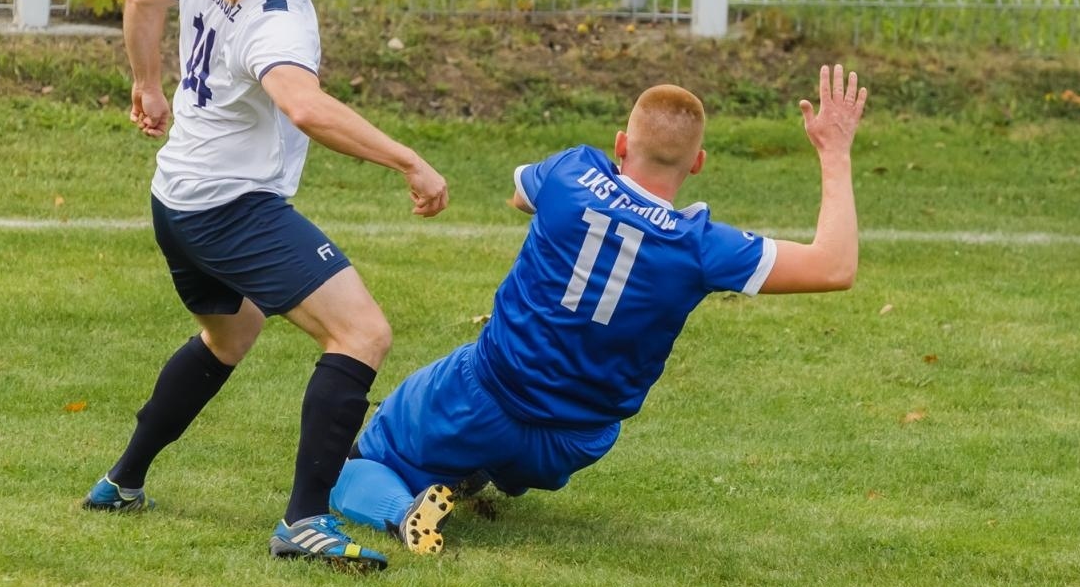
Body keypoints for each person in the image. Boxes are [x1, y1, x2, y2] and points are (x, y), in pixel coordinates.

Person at [81, 0, 449, 572]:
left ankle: (122, 480)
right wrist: (409, 159)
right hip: (231, 208)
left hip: (176, 198)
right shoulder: (280, 14)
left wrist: (146, 84)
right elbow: (305, 107)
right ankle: (305, 520)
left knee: (228, 337)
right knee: (362, 331)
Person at [330, 67, 868, 555]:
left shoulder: (571, 171)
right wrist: (834, 151)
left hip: (485, 395)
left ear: (619, 144)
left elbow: (522, 195)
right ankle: (473, 470)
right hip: (577, 439)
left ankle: (404, 515)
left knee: (358, 464)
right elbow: (834, 266)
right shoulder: (700, 245)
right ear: (698, 164)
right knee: (501, 446)